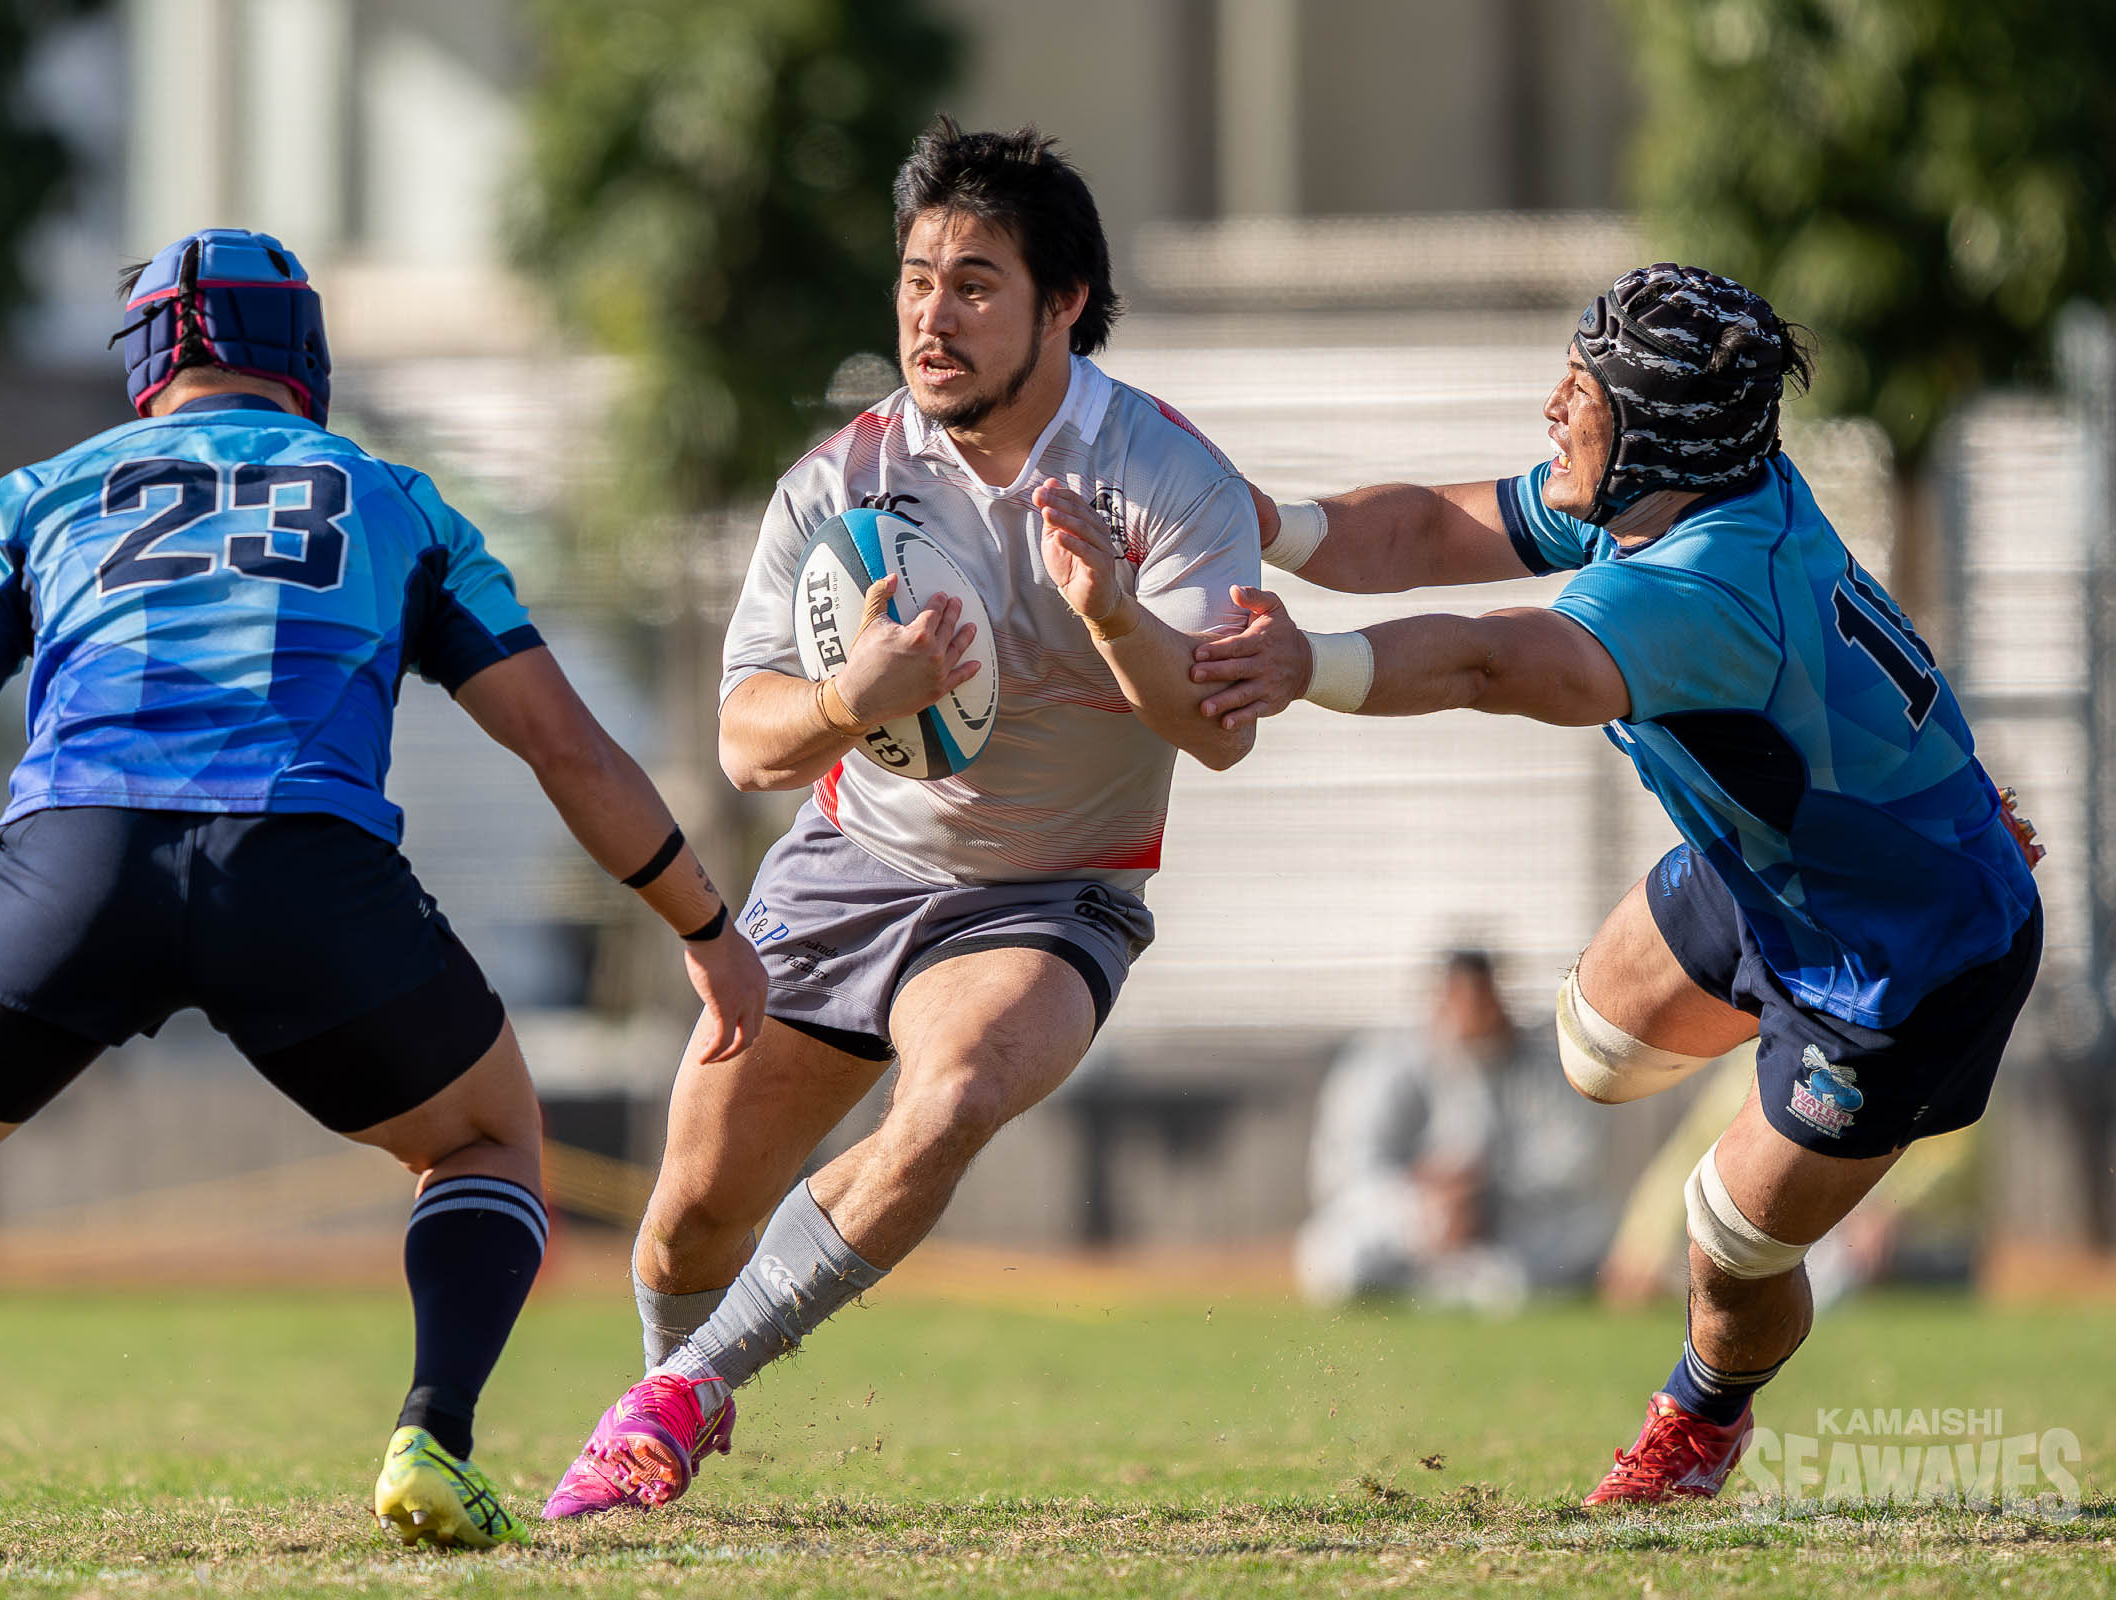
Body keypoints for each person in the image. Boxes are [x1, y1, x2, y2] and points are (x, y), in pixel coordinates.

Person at [0, 229, 767, 1550]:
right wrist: (703, 925)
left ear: (146, 362)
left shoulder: (37, 494)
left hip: (75, 870)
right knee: (488, 1139)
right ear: (303, 354)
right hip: (301, 870)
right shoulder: (397, 500)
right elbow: (566, 746)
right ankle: (432, 1435)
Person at [1190, 264, 2043, 1505]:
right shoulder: (1669, 492)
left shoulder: (1701, 586)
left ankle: (1700, 1420)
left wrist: (1303, 663)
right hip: (1780, 872)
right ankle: (1791, 1060)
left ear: (1654, 431)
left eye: (1580, 390)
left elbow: (1489, 663)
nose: (1552, 407)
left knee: (1726, 1236)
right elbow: (1428, 532)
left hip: (1907, 960)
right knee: (1592, 1047)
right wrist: (1267, 519)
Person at [541, 119, 1259, 1519]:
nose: (933, 316)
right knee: (688, 1219)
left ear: (1063, 304)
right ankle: (668, 1385)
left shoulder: (1169, 477)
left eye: (976, 283)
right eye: (918, 279)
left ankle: (676, 1406)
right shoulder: (837, 483)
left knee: (955, 1096)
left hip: (1051, 891)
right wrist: (846, 699)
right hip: (851, 863)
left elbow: (1217, 732)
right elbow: (745, 741)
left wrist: (1115, 613)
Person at [1297, 949, 1608, 1308]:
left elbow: (1569, 1162)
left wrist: (1482, 1196)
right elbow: (1347, 1168)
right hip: (1410, 1224)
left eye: (1482, 1002)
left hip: (1508, 1223)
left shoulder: (1542, 1068)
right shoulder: (1382, 1063)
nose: (1471, 1015)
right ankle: (1464, 1289)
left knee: (1591, 1236)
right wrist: (1420, 1199)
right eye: (1459, 1002)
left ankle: (1445, 1289)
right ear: (1437, 1001)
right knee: (1333, 1257)